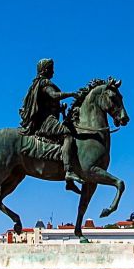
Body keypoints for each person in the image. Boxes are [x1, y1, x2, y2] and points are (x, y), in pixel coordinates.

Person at [18, 58, 85, 190]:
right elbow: (53, 95)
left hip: (46, 118)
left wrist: (59, 109)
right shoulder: (44, 83)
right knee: (68, 135)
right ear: (45, 70)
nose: (53, 71)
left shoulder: (37, 84)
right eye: (51, 68)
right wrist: (71, 94)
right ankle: (68, 171)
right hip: (45, 121)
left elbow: (46, 103)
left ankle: (69, 183)